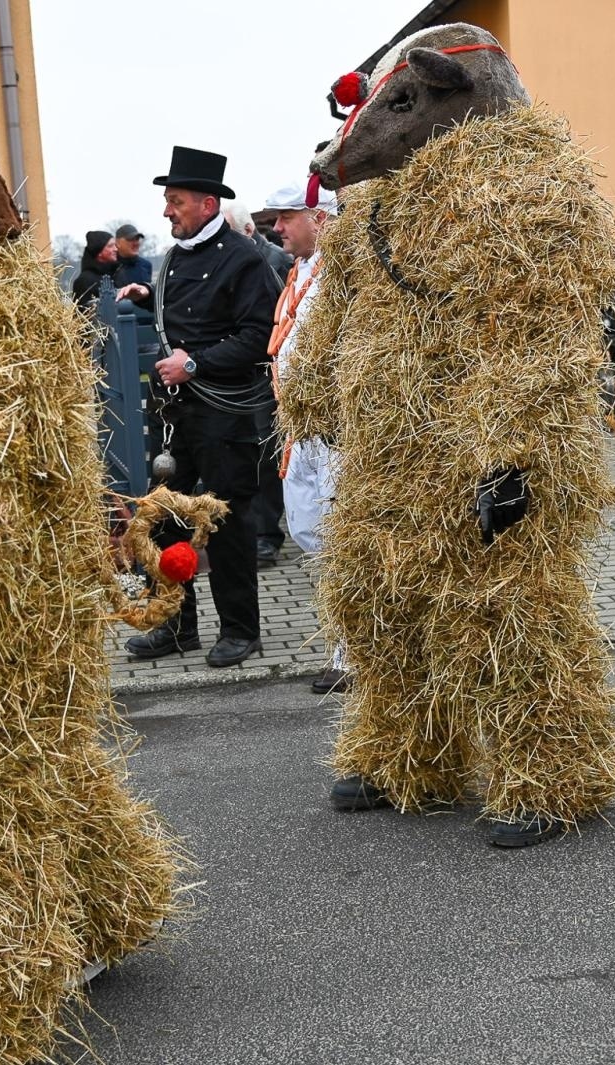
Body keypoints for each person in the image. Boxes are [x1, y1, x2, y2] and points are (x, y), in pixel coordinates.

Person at [116, 146, 280, 667]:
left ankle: (240, 630)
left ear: (208, 204)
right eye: (168, 200)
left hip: (225, 412)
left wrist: (197, 363)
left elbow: (259, 335)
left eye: (177, 201)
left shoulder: (244, 257)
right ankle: (173, 625)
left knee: (225, 522)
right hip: (177, 414)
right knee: (163, 518)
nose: (168, 211)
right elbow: (184, 315)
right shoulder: (175, 259)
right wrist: (146, 298)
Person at [264, 179, 348, 693]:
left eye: (286, 217)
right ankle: (344, 642)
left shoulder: (344, 275)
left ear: (318, 218)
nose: (277, 228)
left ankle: (352, 653)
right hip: (301, 428)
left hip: (336, 430)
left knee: (340, 537)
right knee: (308, 531)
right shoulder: (300, 271)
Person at [222, 199, 289, 564]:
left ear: (248, 231)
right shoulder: (232, 262)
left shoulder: (277, 261)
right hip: (243, 370)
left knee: (266, 453)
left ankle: (268, 535)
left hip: (267, 370)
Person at [71, 229, 118, 307]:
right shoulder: (84, 282)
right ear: (99, 252)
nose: (116, 249)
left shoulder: (117, 272)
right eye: (110, 246)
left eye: (115, 245)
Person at [112, 222, 153, 289]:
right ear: (118, 243)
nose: (135, 243)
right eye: (130, 239)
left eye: (137, 239)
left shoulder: (146, 266)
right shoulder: (109, 266)